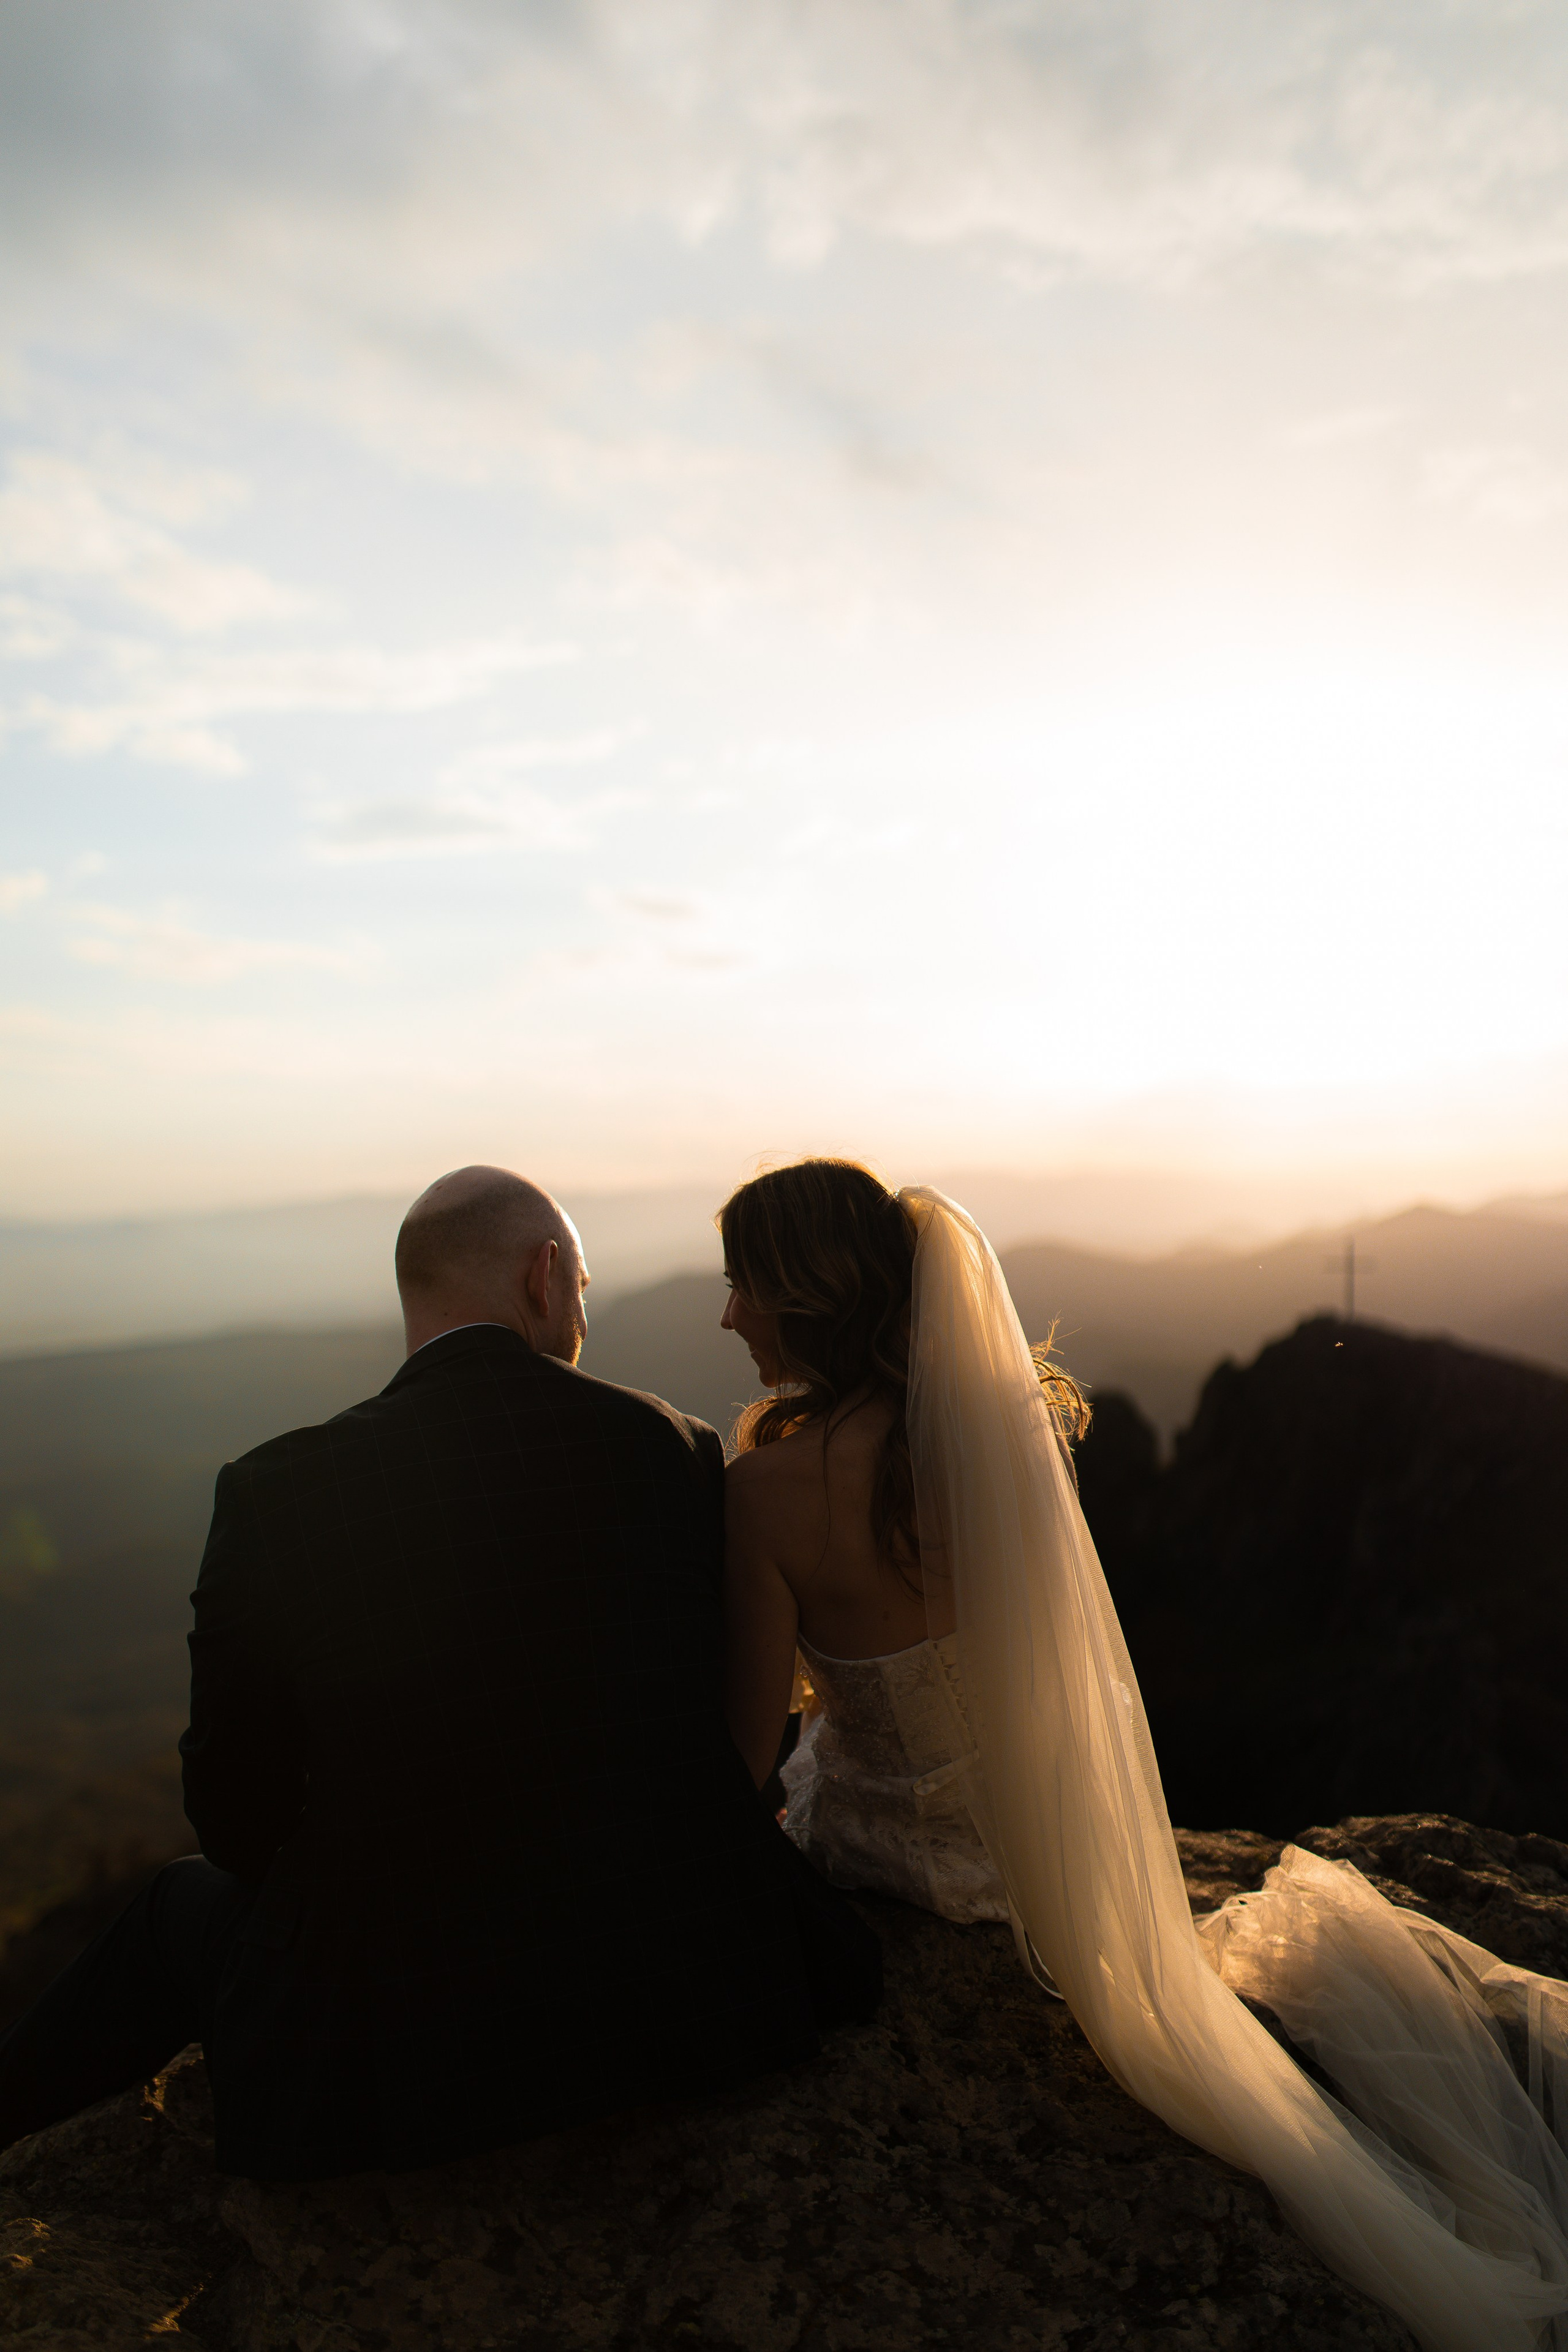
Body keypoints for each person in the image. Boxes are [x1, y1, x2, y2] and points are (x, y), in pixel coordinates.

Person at [720, 1158, 1568, 2352]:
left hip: (889, 1865)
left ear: (795, 1291)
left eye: (738, 1283)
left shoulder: (761, 1494)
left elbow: (744, 1751)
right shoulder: (989, 1442)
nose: (723, 1315)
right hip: (1036, 1850)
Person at [0, 1164, 879, 2180]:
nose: (582, 1313)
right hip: (687, 1995)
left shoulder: (276, 1491)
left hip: (412, 2051)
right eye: (584, 1291)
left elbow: (233, 1821)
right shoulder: (671, 1448)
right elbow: (719, 1728)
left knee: (169, 1911)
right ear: (544, 1279)